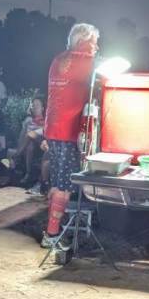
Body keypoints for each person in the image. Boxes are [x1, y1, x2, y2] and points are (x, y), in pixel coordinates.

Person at [42, 24, 99, 247]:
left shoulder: (58, 59)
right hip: (67, 131)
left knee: (57, 180)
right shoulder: (86, 61)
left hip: (53, 128)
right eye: (93, 42)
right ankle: (52, 234)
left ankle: (53, 225)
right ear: (82, 42)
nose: (96, 47)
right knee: (64, 185)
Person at [0, 96, 47, 192]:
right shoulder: (29, 120)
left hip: (42, 144)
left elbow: (35, 134)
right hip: (30, 146)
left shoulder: (45, 120)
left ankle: (16, 157)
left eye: (37, 105)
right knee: (29, 147)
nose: (35, 107)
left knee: (29, 136)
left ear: (42, 108)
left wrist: (18, 152)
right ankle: (21, 175)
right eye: (33, 105)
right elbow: (22, 137)